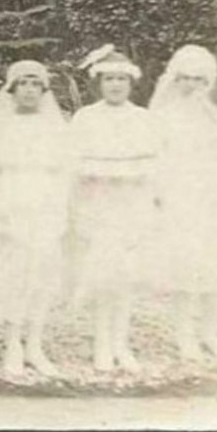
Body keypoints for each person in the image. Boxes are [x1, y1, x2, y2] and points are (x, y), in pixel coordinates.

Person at [0, 61, 72, 377]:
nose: (29, 90)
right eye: (23, 84)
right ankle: (12, 343)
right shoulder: (1, 127)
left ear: (44, 90)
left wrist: (60, 211)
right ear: (12, 90)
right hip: (11, 206)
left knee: (41, 277)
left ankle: (34, 344)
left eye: (36, 85)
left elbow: (65, 174)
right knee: (14, 276)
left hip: (45, 208)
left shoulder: (55, 127)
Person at [68, 45, 160, 372]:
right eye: (109, 79)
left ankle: (121, 342)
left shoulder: (142, 119)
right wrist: (81, 212)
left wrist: (146, 213)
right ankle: (101, 343)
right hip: (99, 207)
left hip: (129, 209)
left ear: (131, 83)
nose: (116, 85)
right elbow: (75, 170)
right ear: (99, 83)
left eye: (121, 79)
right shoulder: (86, 118)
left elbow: (150, 172)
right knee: (102, 277)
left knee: (125, 278)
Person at [150, 44, 217, 362]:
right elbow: (156, 162)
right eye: (186, 78)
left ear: (208, 83)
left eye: (200, 80)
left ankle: (210, 332)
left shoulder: (216, 118)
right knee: (185, 272)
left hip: (213, 200)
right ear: (175, 79)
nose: (192, 85)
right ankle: (184, 336)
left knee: (213, 270)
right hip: (180, 200)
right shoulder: (163, 117)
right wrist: (162, 197)